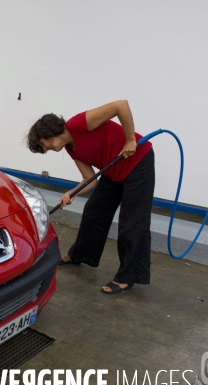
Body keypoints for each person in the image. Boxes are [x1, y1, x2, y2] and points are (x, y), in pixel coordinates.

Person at [26, 100, 155, 294]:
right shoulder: (71, 148)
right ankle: (80, 254)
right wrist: (71, 193)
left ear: (47, 132)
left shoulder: (79, 124)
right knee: (94, 211)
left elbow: (121, 105)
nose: (45, 149)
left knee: (132, 223)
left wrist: (130, 140)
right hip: (114, 170)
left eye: (42, 145)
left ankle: (128, 276)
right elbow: (89, 179)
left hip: (137, 163)